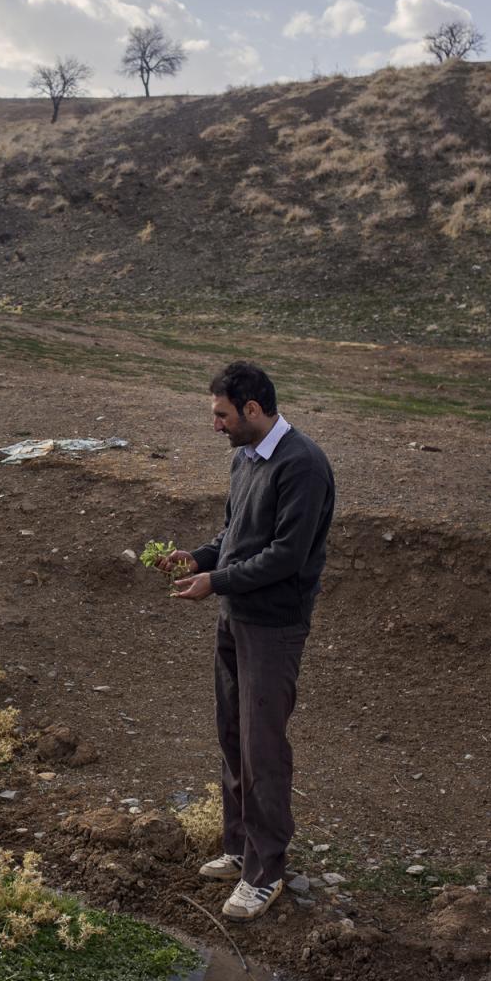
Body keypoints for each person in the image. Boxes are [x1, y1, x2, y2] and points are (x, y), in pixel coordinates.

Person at [160, 361, 334, 922]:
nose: (216, 426)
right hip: (235, 617)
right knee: (232, 735)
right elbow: (233, 535)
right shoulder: (246, 458)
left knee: (263, 749)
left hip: (274, 625)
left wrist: (216, 580)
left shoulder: (302, 465)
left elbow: (286, 555)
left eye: (222, 415)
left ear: (252, 410)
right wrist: (199, 558)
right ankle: (238, 849)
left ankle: (266, 874)